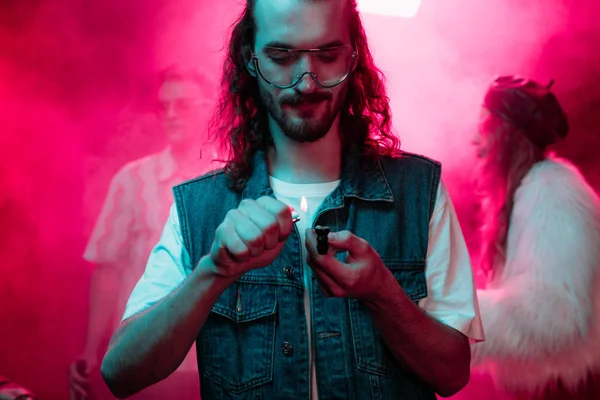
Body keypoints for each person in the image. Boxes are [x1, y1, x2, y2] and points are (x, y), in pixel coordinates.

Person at [101, 0, 485, 399]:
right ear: (250, 60)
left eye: (328, 55)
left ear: (354, 57)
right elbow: (120, 372)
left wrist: (382, 294)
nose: (306, 82)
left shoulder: (417, 191)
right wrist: (213, 273)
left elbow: (453, 374)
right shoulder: (200, 207)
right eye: (281, 56)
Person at [68, 66, 220, 400]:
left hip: (213, 358)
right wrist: (93, 352)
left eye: (181, 104)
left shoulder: (227, 180)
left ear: (208, 106)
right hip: (145, 351)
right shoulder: (133, 180)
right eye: (164, 106)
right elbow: (108, 270)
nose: (170, 115)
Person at [470, 75, 600, 398]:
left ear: (506, 139)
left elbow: (554, 319)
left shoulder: (553, 193)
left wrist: (449, 314)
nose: (475, 140)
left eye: (484, 127)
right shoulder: (535, 190)